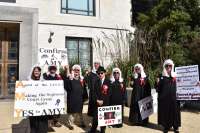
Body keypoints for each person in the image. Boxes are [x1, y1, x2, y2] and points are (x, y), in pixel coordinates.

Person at [156, 59, 181, 133]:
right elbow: (158, 89)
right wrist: (157, 83)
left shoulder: (176, 76)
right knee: (166, 113)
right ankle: (166, 127)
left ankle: (176, 127)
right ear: (164, 67)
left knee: (175, 113)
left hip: (175, 99)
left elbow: (184, 84)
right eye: (167, 66)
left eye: (170, 65)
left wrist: (195, 83)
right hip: (165, 100)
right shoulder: (161, 77)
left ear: (172, 66)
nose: (168, 67)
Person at [64, 64, 88, 130]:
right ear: (73, 71)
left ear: (79, 71)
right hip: (72, 98)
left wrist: (85, 97)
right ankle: (70, 124)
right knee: (72, 113)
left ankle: (81, 123)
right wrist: (67, 71)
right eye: (75, 70)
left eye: (78, 70)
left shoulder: (81, 79)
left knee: (80, 112)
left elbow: (84, 89)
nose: (76, 71)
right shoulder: (70, 78)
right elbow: (66, 86)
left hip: (80, 99)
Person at [89, 66, 111, 133]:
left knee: (103, 120)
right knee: (95, 119)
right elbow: (94, 92)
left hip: (105, 104)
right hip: (97, 103)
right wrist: (97, 100)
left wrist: (103, 101)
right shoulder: (96, 82)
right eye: (99, 73)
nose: (100, 74)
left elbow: (109, 94)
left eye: (101, 73)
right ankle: (93, 130)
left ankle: (102, 131)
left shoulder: (108, 82)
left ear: (104, 73)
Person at [29, 66, 48, 133]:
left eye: (38, 71)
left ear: (40, 72)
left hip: (43, 106)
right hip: (33, 106)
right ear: (33, 72)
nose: (36, 72)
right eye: (35, 71)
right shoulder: (29, 81)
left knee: (42, 124)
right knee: (34, 124)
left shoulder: (44, 81)